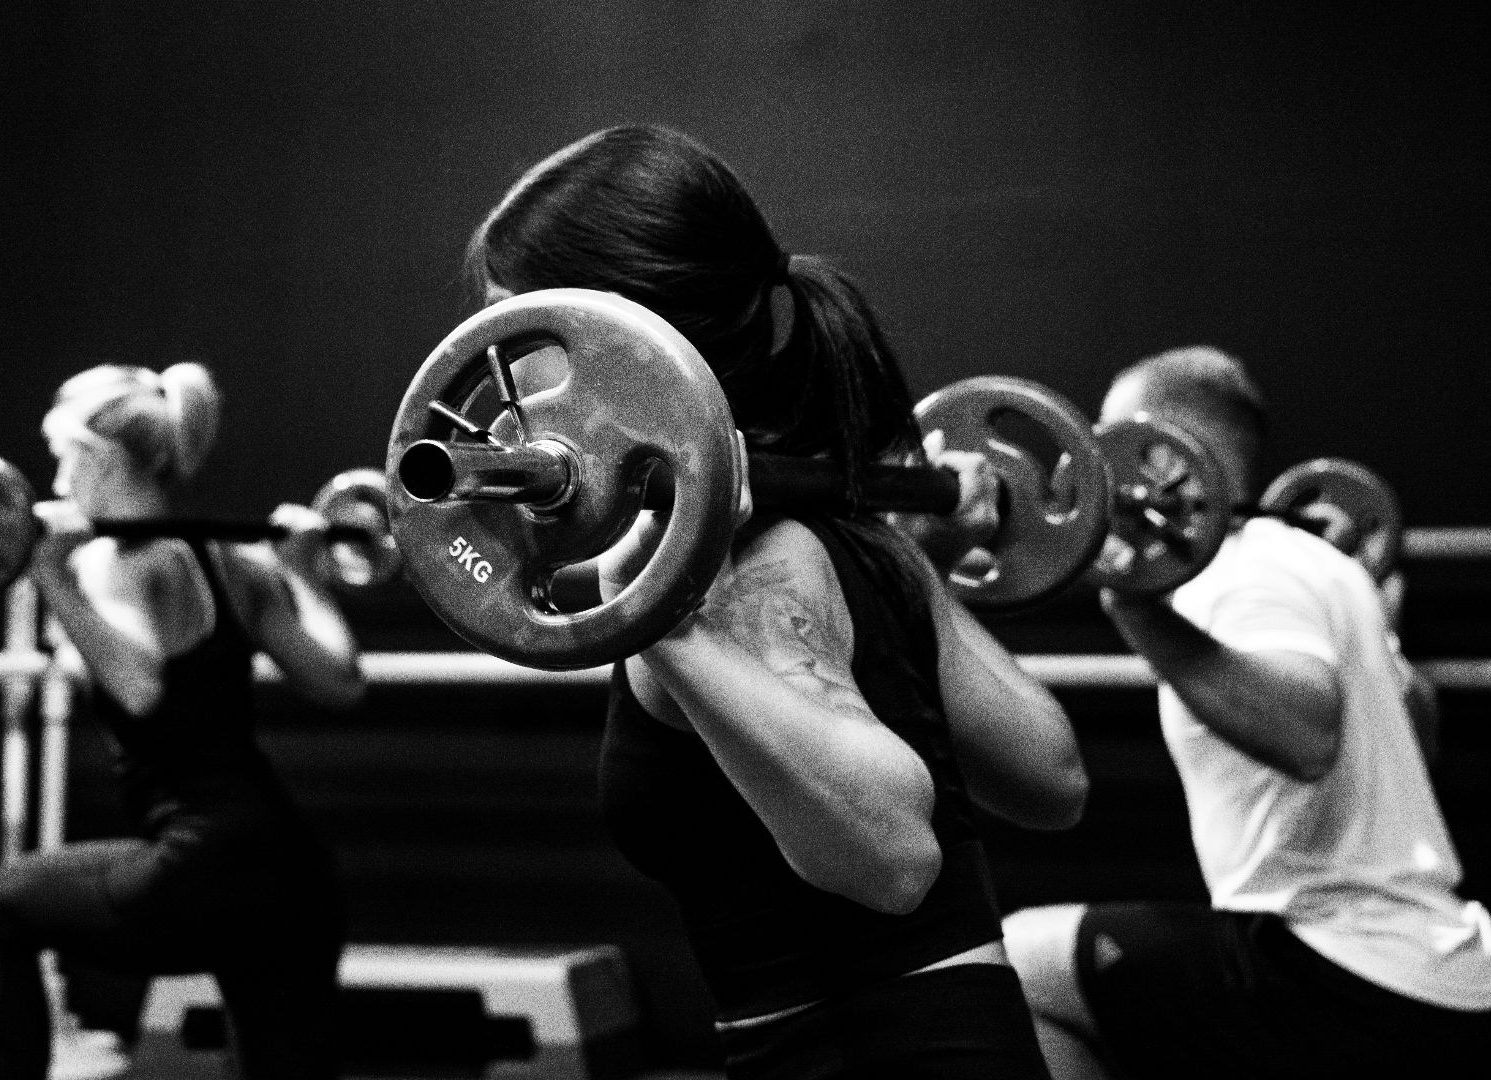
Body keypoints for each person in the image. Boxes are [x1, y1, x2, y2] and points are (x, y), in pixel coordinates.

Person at [465, 124, 1089, 1078]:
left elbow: (894, 858)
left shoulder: (744, 573)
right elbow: (1049, 782)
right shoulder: (865, 537)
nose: (501, 387)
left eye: (524, 332)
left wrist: (659, 618)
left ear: (626, 332)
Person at [1001, 346, 1491, 1080]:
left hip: (1344, 970)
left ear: (1160, 454)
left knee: (1015, 968)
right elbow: (1420, 735)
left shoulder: (1241, 571)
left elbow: (1307, 735)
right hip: (1448, 975)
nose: (1094, 464)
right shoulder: (1319, 566)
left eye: (1109, 435)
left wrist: (1132, 603)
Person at [0, 362, 364, 1080]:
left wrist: (50, 575)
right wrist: (302, 572)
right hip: (293, 875)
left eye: (62, 456)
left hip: (200, 865)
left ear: (100, 460)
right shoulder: (240, 559)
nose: (54, 481)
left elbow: (139, 686)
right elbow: (342, 682)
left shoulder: (116, 563)